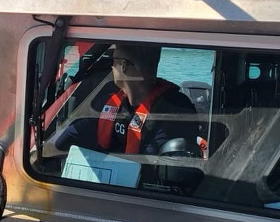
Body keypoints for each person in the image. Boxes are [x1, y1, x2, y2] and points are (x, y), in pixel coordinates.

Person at [55, 44, 198, 156]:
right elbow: (64, 139)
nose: (111, 67)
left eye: (113, 61)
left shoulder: (174, 108)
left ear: (123, 65)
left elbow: (151, 167)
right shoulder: (110, 103)